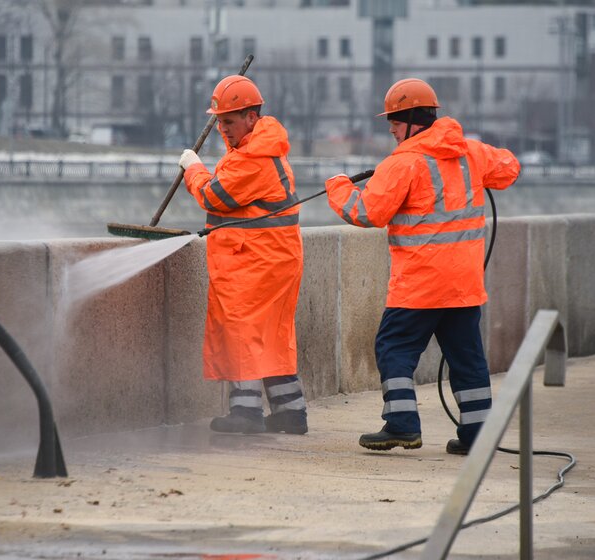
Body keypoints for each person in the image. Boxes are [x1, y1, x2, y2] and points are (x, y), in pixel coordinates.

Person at [324, 78, 520, 455]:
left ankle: (402, 425)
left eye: (396, 121)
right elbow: (509, 169)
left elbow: (367, 212)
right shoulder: (471, 153)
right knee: (467, 360)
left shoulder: (403, 164)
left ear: (414, 120)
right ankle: (479, 436)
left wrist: (337, 187)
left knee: (393, 347)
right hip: (463, 285)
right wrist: (485, 157)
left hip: (419, 285)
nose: (392, 129)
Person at [178, 75, 308, 435]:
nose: (223, 129)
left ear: (251, 117)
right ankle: (290, 412)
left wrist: (193, 168)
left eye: (229, 121)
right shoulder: (262, 150)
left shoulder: (252, 159)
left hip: (254, 261)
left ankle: (246, 412)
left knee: (241, 331)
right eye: (219, 121)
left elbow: (213, 196)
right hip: (272, 258)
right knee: (271, 336)